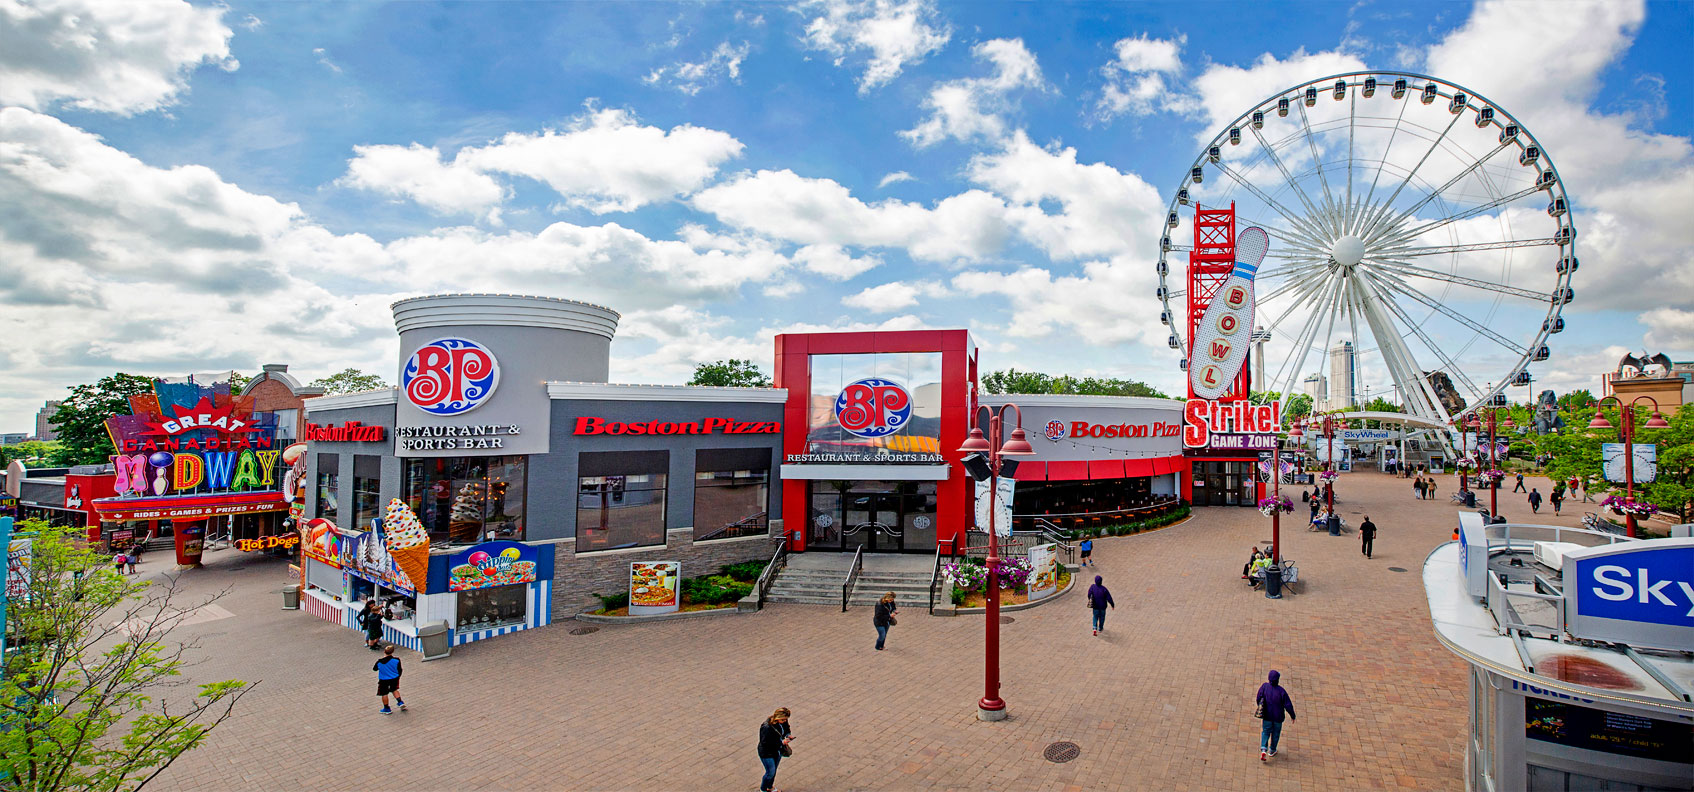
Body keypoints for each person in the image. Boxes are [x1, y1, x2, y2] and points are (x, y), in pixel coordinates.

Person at [1256, 669, 1297, 761]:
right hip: (1278, 718)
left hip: (1267, 716)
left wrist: (1260, 705)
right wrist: (1292, 715)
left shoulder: (1264, 687)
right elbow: (1288, 705)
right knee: (1275, 733)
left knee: (1266, 731)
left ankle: (1263, 749)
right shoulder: (1281, 691)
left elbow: (1258, 697)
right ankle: (1272, 750)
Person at [757, 707, 793, 792]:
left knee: (773, 771)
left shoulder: (783, 721)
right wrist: (781, 742)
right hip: (767, 753)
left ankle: (770, 787)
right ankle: (763, 789)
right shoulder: (767, 727)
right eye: (783, 720)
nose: (785, 721)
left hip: (777, 751)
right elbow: (765, 742)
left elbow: (786, 727)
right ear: (778, 717)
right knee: (770, 772)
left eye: (786, 720)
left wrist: (788, 734)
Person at [373, 644, 405, 714]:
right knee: (394, 689)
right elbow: (400, 669)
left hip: (383, 680)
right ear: (392, 652)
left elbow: (374, 669)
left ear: (384, 652)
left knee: (384, 693)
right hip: (394, 678)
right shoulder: (396, 660)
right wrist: (398, 676)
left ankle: (386, 708)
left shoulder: (379, 662)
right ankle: (400, 702)